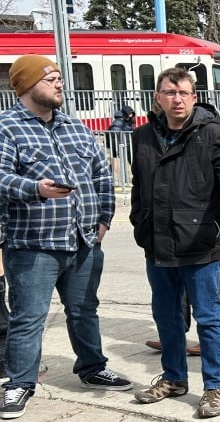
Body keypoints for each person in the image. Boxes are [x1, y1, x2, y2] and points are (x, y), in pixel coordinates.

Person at [0, 55, 132, 419]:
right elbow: (0, 178)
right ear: (27, 86)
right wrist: (35, 189)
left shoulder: (76, 126)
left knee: (84, 311)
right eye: (51, 78)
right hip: (34, 246)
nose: (59, 84)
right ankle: (18, 385)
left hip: (84, 242)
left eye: (60, 78)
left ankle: (92, 368)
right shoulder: (7, 127)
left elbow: (102, 175)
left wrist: (104, 218)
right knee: (29, 317)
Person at [129, 67, 220, 418]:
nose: (177, 98)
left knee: (209, 319)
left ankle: (214, 387)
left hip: (200, 242)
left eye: (184, 92)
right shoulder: (143, 137)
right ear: (158, 97)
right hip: (158, 243)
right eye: (170, 92)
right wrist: (140, 222)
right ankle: (174, 379)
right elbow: (139, 187)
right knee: (166, 316)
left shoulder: (213, 133)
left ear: (194, 97)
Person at [143, 119, 220, 357]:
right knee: (177, 279)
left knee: (214, 281)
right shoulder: (155, 131)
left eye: (183, 93)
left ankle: (214, 335)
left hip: (210, 222)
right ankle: (176, 334)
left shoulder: (217, 129)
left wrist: (218, 210)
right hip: (172, 220)